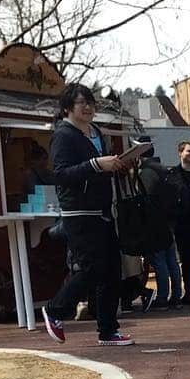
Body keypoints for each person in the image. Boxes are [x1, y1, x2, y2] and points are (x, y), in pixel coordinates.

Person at [41, 83, 133, 348]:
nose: (89, 107)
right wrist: (96, 164)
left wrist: (116, 165)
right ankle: (56, 309)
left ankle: (108, 330)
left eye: (91, 102)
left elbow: (96, 170)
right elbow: (61, 174)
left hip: (102, 209)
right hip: (79, 212)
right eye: (82, 103)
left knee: (112, 270)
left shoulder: (96, 132)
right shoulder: (64, 135)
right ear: (68, 107)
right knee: (91, 268)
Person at [137, 147, 183, 307]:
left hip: (155, 223)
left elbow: (147, 200)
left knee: (159, 261)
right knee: (172, 261)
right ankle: (177, 295)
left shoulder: (146, 173)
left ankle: (163, 297)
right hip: (169, 221)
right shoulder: (163, 169)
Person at [165, 140, 190, 305]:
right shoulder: (172, 175)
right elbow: (168, 199)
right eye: (189, 151)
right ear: (180, 153)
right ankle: (188, 293)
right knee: (186, 261)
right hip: (182, 223)